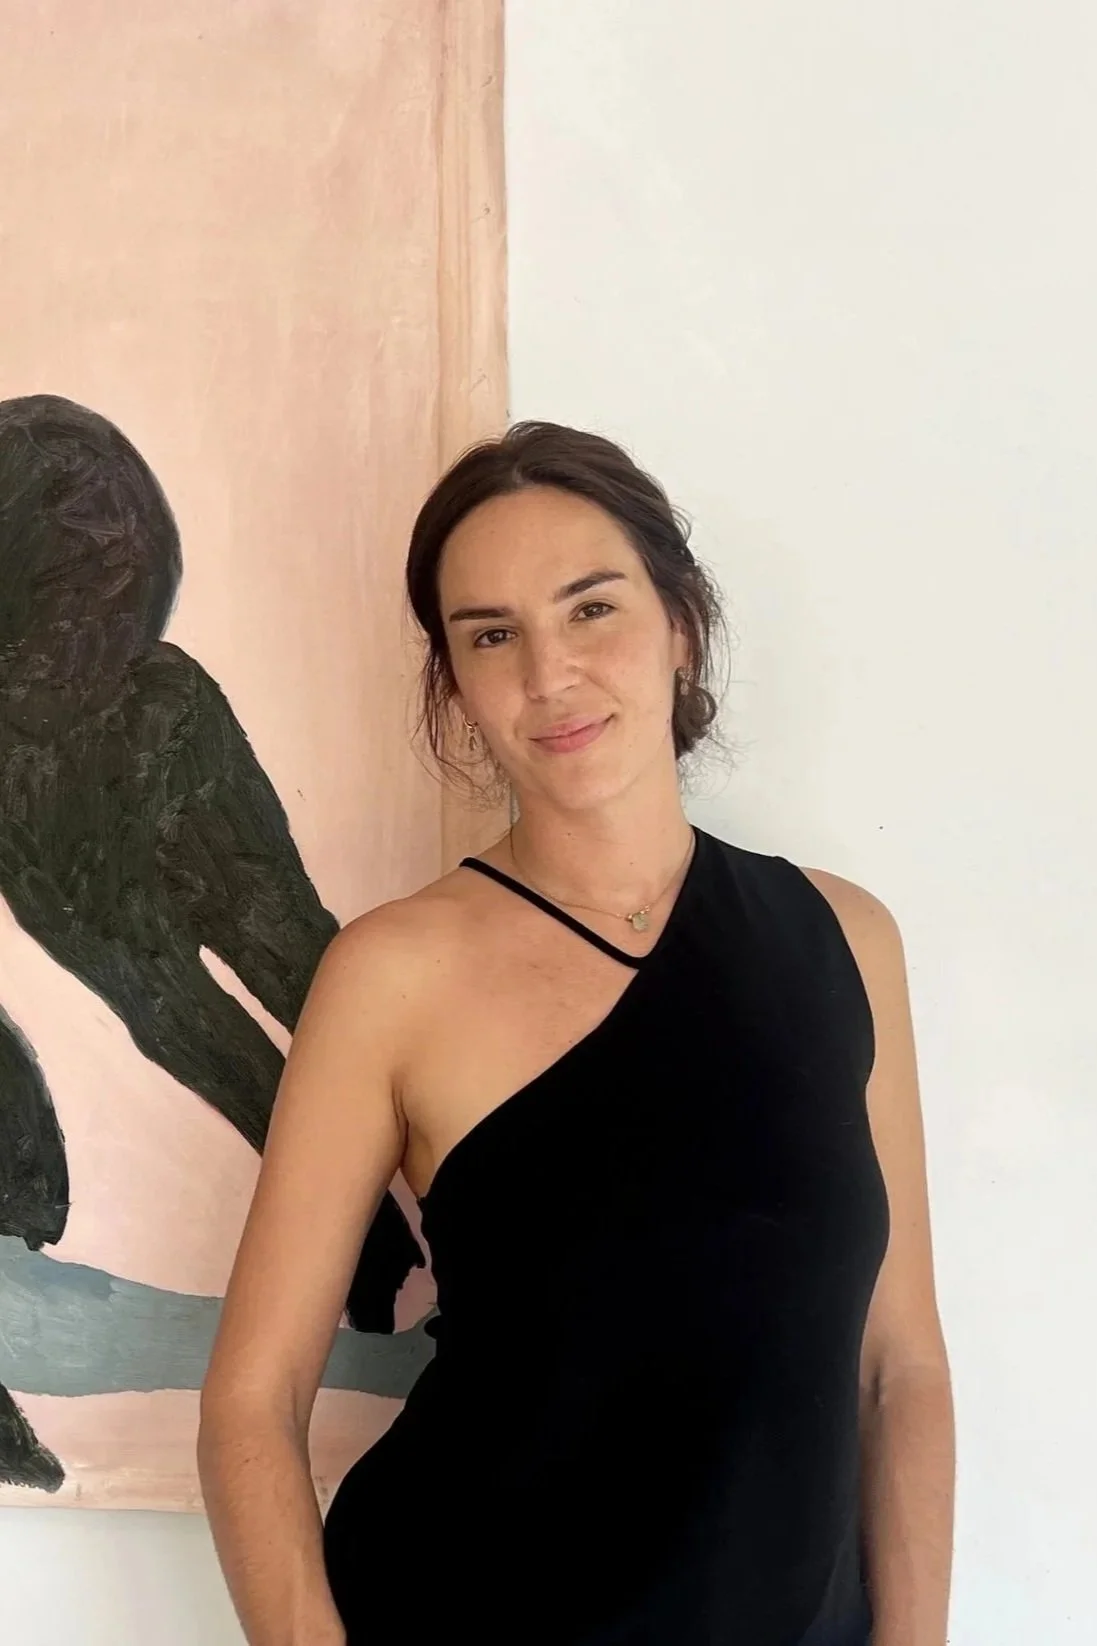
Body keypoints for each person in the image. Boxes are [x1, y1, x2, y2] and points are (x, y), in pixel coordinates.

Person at [197, 422, 955, 1645]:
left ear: (680, 624)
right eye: (491, 634)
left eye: (590, 608)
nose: (549, 673)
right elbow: (251, 1397)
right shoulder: (390, 972)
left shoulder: (844, 939)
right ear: (455, 680)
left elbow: (897, 1364)